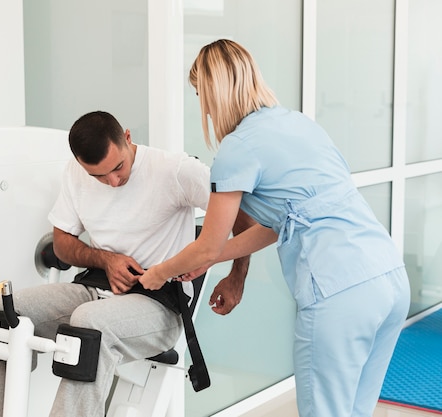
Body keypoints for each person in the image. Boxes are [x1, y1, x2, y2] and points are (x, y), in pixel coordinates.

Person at [139, 39, 411, 417]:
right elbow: (276, 225)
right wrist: (213, 259)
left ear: (213, 93)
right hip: (388, 279)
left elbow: (206, 244)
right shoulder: (298, 123)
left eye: (200, 94)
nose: (202, 105)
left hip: (339, 292)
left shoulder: (236, 149)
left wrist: (157, 273)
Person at [0, 110, 253, 417]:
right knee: (3, 315)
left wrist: (236, 277)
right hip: (94, 289)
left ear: (128, 138)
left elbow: (244, 219)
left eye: (118, 167)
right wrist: (106, 259)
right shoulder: (75, 174)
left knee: (90, 325)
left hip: (158, 305)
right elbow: (63, 245)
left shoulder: (174, 170)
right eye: (99, 176)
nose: (113, 181)